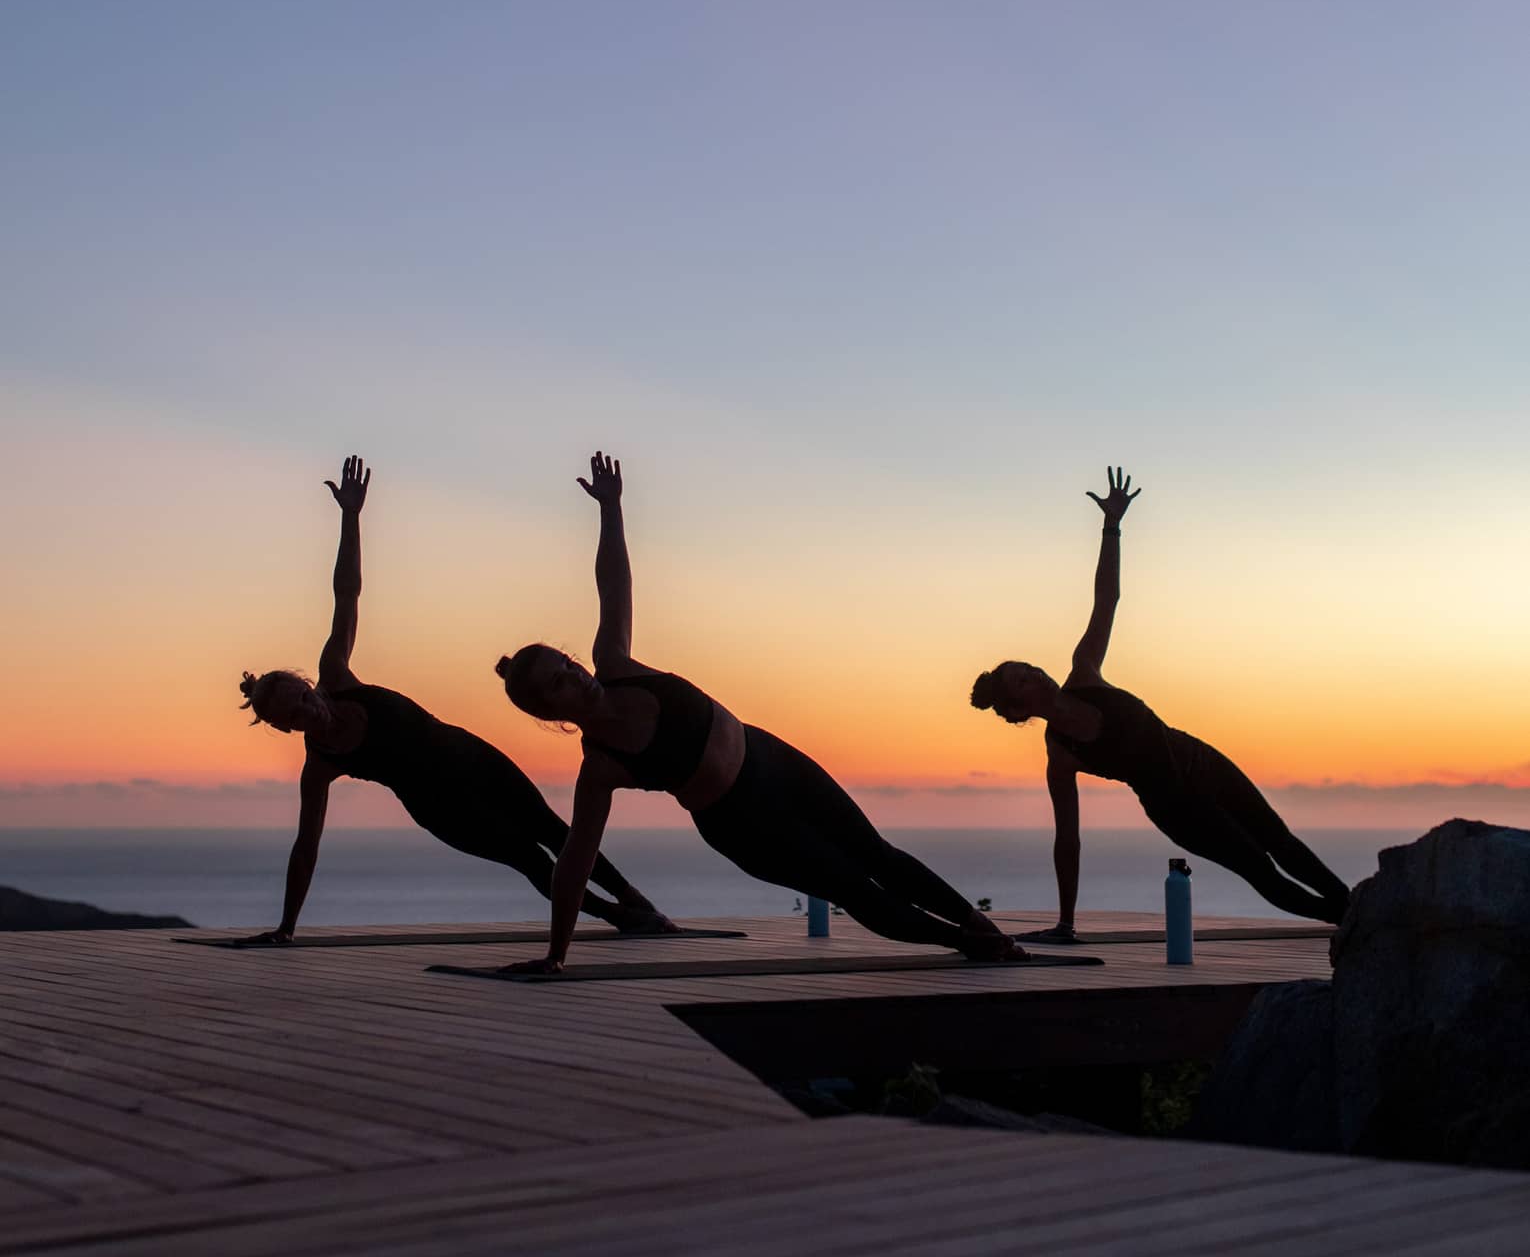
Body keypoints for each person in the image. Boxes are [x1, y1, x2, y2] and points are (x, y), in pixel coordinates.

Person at [496, 451, 1022, 973]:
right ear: (550, 711)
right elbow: (574, 862)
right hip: (744, 824)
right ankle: (965, 944)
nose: (574, 675)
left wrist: (611, 509)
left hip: (770, 758)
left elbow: (614, 585)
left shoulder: (614, 662)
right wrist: (556, 954)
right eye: (558, 683)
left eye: (566, 663)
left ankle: (979, 927)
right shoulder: (601, 767)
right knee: (851, 887)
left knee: (876, 854)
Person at [237, 454, 672, 943]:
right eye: (294, 714)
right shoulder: (319, 764)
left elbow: (347, 593)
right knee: (526, 858)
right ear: (284, 727)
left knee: (553, 830)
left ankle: (638, 903)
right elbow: (306, 846)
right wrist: (287, 927)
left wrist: (351, 517)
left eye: (301, 695)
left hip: (472, 758)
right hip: (440, 808)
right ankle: (621, 920)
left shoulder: (336, 674)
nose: (307, 708)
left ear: (305, 683)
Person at [971, 466, 1350, 942]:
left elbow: (1107, 599)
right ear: (1018, 710)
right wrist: (1066, 923)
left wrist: (1112, 526)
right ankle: (1349, 923)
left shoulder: (1084, 670)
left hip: (1200, 760)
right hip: (1178, 810)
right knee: (1262, 871)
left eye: (1027, 667)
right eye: (1022, 681)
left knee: (1281, 842)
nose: (1035, 674)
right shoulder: (1061, 753)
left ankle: (1360, 910)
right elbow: (1068, 841)